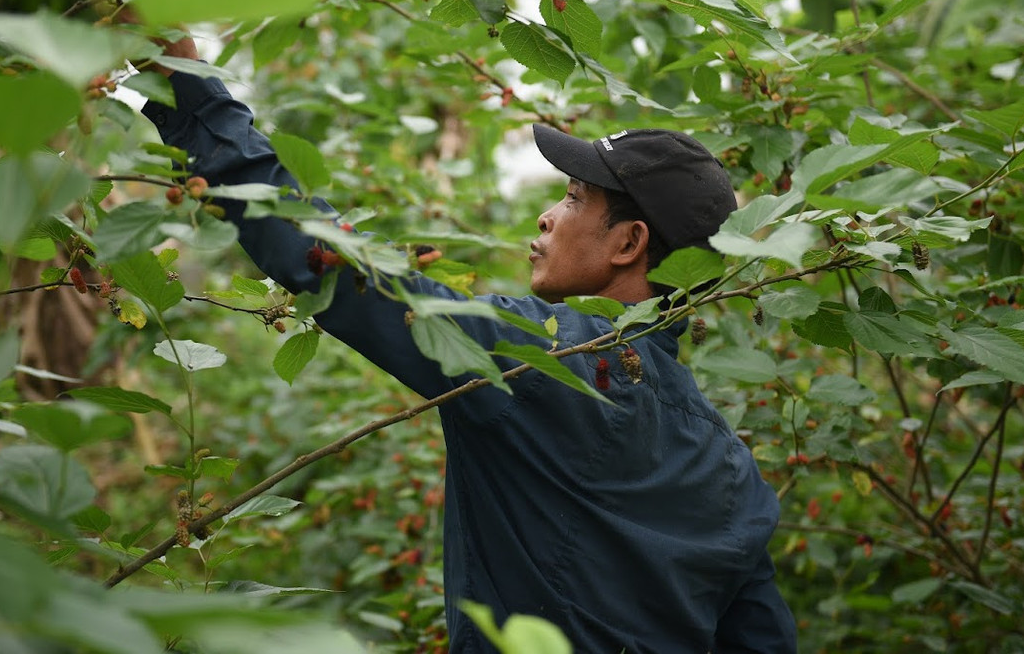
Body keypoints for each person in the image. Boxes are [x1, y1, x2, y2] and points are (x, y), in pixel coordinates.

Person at [137, 33, 797, 654]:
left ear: (628, 244)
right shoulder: (732, 472)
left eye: (573, 198)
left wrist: (192, 93)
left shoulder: (544, 358)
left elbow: (330, 263)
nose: (547, 214)